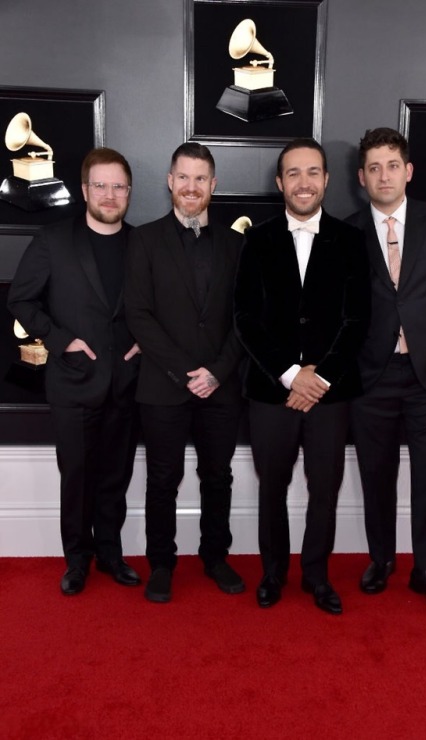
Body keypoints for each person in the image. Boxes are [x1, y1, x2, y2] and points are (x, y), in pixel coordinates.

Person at [234, 138, 370, 613]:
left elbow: (358, 320)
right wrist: (292, 375)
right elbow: (246, 319)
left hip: (331, 394)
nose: (304, 182)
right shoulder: (257, 239)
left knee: (324, 488)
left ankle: (316, 575)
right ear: (279, 182)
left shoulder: (352, 241)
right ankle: (273, 573)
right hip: (272, 393)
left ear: (327, 180)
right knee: (272, 486)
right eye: (293, 173)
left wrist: (319, 378)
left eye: (313, 172)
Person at [346, 127, 426, 614]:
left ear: (409, 171)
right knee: (376, 474)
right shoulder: (347, 231)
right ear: (361, 177)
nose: (384, 175)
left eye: (392, 165)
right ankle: (381, 559)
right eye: (374, 167)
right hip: (371, 377)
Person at [8, 147, 142, 595]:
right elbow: (21, 301)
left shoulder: (143, 243)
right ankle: (77, 560)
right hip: (72, 380)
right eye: (100, 185)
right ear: (84, 190)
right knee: (78, 477)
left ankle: (110, 554)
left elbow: (160, 305)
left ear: (129, 192)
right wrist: (63, 340)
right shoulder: (53, 240)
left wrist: (148, 340)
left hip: (126, 381)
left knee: (114, 477)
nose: (109, 194)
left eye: (118, 186)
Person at [125, 142, 244, 603]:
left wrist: (215, 372)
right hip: (162, 385)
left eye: (201, 179)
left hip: (222, 385)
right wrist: (185, 371)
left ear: (213, 186)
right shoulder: (144, 239)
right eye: (184, 178)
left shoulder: (237, 244)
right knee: (162, 478)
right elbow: (138, 314)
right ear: (170, 182)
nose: (191, 187)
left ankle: (215, 557)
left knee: (218, 476)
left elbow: (244, 317)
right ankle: (162, 563)